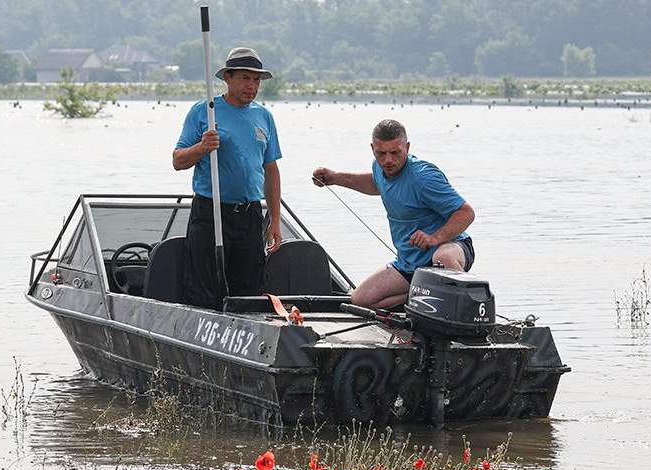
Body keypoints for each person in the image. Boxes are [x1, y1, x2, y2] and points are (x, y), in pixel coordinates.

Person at [312, 119, 475, 309]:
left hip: (451, 248)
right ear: (373, 148)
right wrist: (335, 178)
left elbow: (466, 213)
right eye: (381, 153)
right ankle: (423, 293)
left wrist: (434, 238)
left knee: (443, 258)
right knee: (360, 300)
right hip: (410, 263)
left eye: (395, 152)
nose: (388, 160)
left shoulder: (424, 177)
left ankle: (470, 308)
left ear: (407, 147)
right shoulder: (379, 168)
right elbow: (375, 184)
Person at [173, 47, 283, 310]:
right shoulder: (205, 111)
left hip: (250, 214)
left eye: (256, 80)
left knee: (249, 289)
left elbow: (271, 170)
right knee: (205, 288)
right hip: (211, 212)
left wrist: (275, 221)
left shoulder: (263, 116)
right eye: (245, 78)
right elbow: (178, 161)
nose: (251, 86)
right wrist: (202, 148)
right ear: (228, 78)